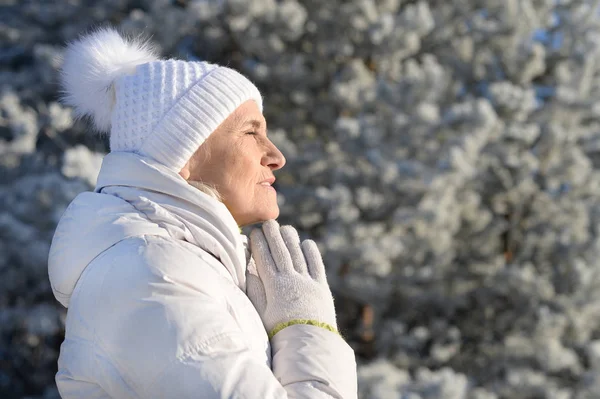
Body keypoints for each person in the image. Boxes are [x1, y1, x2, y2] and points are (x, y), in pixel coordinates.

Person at [48, 28, 357, 398]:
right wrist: (306, 328)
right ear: (183, 156)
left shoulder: (178, 269)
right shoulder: (150, 277)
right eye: (250, 132)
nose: (276, 155)